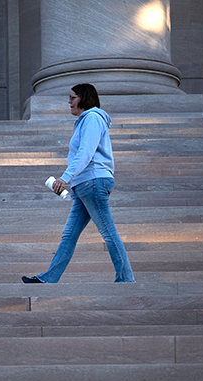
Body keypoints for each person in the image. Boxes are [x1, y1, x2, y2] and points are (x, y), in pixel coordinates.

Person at [23, 83, 134, 283]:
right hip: (85, 185)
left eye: (73, 97)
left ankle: (126, 279)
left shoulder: (92, 118)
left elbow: (85, 152)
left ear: (84, 98)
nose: (69, 102)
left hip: (93, 182)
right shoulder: (86, 120)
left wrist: (64, 177)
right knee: (69, 236)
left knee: (108, 233)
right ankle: (48, 278)